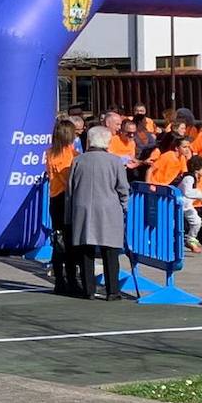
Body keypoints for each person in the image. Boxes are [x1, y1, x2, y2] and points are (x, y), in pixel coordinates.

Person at [66, 126, 129, 301]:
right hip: (109, 209)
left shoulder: (78, 161)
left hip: (83, 209)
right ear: (107, 141)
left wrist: (69, 214)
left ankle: (88, 290)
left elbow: (70, 190)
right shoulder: (115, 161)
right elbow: (123, 188)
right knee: (110, 251)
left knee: (86, 251)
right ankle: (112, 291)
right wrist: (124, 206)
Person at [45, 118, 80, 296]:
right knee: (68, 242)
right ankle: (69, 280)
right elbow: (69, 181)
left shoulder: (51, 152)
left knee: (59, 240)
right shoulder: (68, 156)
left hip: (55, 198)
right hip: (64, 199)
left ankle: (61, 279)